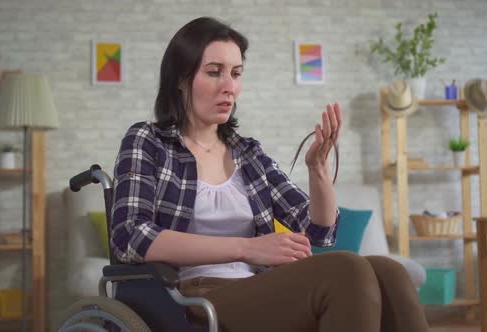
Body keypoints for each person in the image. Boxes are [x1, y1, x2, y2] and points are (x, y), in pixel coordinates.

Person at [110, 16, 428, 332]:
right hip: (191, 296)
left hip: (257, 287)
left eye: (236, 74)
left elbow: (319, 230)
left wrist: (317, 170)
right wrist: (247, 247)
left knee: (390, 272)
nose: (229, 87)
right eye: (213, 72)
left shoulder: (248, 153)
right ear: (181, 78)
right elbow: (131, 236)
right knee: (346, 269)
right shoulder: (148, 141)